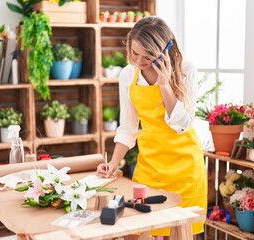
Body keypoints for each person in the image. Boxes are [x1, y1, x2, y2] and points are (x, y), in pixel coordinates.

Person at [96, 16, 207, 238]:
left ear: (164, 49)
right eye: (134, 53)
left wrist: (165, 84)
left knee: (181, 232)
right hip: (149, 165)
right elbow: (128, 128)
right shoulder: (128, 74)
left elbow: (182, 125)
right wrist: (113, 165)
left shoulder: (185, 70)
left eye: (147, 55)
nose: (138, 61)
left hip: (185, 166)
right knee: (138, 229)